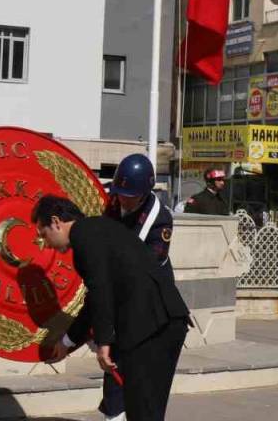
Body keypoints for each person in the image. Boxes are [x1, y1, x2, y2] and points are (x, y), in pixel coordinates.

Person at [37, 196, 189, 421]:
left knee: (142, 410)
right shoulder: (100, 228)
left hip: (151, 326)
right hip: (168, 321)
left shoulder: (83, 237)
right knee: (147, 411)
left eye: (43, 234)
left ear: (56, 221)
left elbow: (100, 290)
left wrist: (104, 342)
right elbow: (93, 302)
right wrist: (67, 342)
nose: (46, 243)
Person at [98, 153, 175, 421]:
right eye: (119, 192)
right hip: (120, 298)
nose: (122, 199)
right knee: (115, 377)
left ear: (143, 194)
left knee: (144, 386)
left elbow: (141, 271)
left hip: (152, 307)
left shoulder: (160, 220)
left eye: (129, 195)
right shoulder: (112, 198)